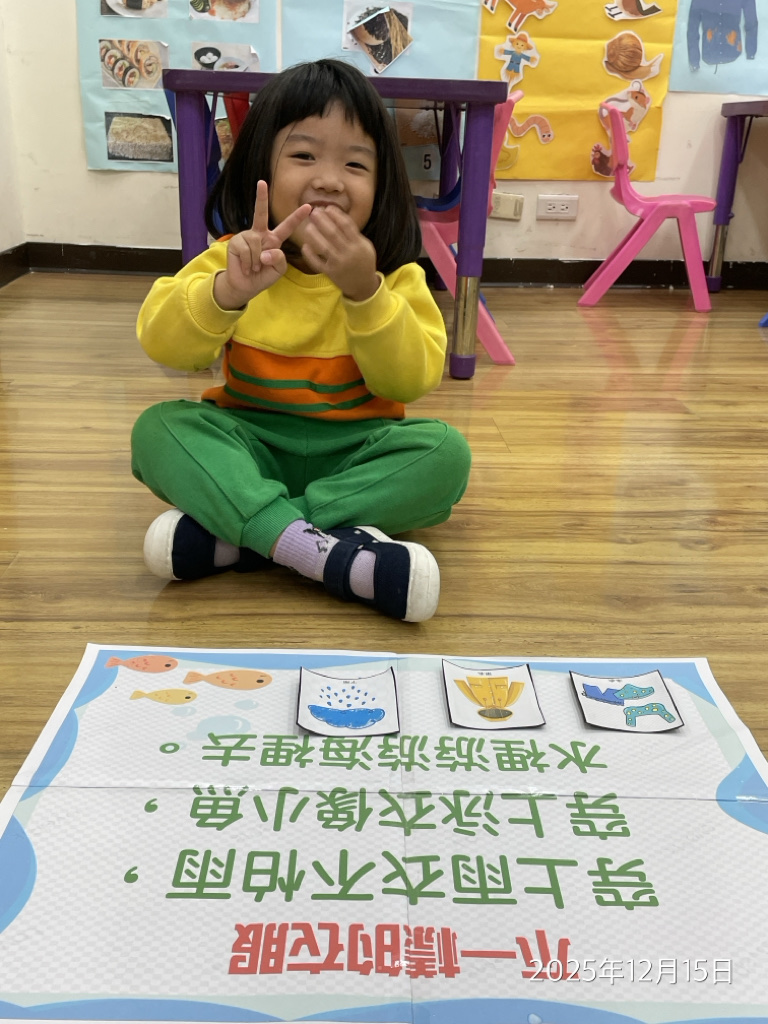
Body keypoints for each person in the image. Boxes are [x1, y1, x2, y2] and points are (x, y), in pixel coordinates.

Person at [131, 58, 472, 622]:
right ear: (259, 168)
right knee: (159, 429)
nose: (330, 179)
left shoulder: (394, 278)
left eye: (356, 163)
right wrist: (226, 293)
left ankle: (247, 533)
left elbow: (409, 382)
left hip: (356, 454)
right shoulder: (235, 259)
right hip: (251, 447)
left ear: (382, 185)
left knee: (445, 454)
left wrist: (365, 294)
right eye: (304, 156)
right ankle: (328, 547)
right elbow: (165, 346)